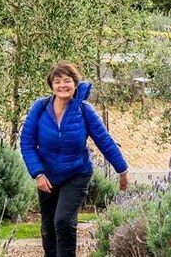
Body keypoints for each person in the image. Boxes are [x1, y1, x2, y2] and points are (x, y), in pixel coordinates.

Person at [20, 60, 129, 257]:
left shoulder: (84, 111)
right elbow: (27, 143)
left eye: (67, 80)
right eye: (57, 81)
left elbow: (104, 140)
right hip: (47, 175)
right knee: (48, 227)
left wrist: (122, 170)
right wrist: (37, 173)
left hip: (76, 174)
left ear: (75, 84)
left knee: (63, 220)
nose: (63, 85)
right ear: (51, 86)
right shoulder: (40, 108)